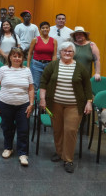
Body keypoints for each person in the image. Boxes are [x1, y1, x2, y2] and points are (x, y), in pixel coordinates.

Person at [39, 42, 93, 173]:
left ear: (74, 53)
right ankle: (59, 152)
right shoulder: (53, 65)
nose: (67, 53)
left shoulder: (80, 68)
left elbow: (87, 87)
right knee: (57, 129)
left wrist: (89, 102)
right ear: (60, 52)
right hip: (54, 104)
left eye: (70, 51)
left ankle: (68, 159)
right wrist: (42, 99)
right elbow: (43, 82)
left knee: (70, 130)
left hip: (74, 105)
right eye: (64, 51)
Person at [0, 47, 34, 166]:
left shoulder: (27, 71)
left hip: (23, 105)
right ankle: (8, 148)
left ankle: (23, 154)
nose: (17, 58)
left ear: (22, 58)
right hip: (5, 103)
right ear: (10, 57)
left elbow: (31, 89)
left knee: (23, 129)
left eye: (19, 56)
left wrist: (31, 104)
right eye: (14, 56)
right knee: (7, 127)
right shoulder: (3, 69)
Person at [27, 21, 57, 90]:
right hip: (36, 64)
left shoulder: (54, 41)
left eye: (47, 28)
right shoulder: (35, 40)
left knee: (46, 84)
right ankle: (34, 100)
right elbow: (30, 53)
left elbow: (54, 55)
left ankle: (43, 100)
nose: (45, 29)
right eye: (43, 28)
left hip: (48, 65)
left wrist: (53, 67)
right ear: (40, 30)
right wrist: (28, 66)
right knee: (35, 84)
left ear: (49, 29)